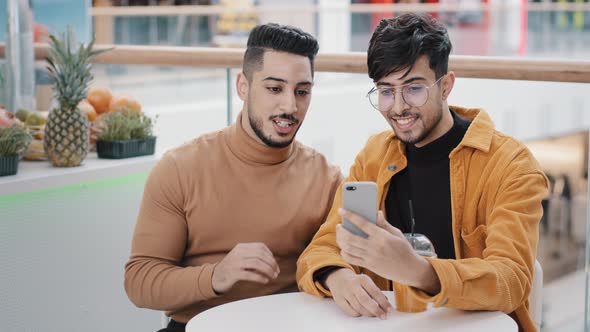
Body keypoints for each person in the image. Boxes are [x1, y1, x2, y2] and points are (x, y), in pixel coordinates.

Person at [296, 13, 548, 332]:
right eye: (386, 91)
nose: (398, 107)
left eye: (413, 88)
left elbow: (511, 282)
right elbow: (319, 250)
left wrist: (418, 271)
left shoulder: (510, 164)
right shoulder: (374, 155)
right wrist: (337, 276)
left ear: (445, 86)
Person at [125, 23, 342, 332]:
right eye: (274, 88)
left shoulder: (326, 178)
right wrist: (217, 276)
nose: (290, 106)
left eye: (302, 91)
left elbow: (340, 265)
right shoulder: (179, 168)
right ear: (243, 86)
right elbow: (139, 281)